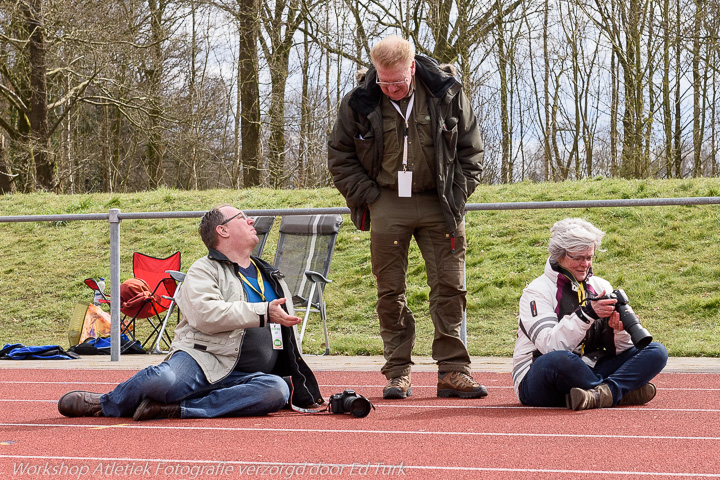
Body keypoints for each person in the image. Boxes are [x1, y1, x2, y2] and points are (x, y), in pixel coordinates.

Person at [327, 35, 487, 400]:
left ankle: (453, 371)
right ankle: (397, 373)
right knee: (390, 290)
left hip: (440, 202)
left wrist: (456, 195)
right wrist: (369, 198)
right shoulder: (359, 102)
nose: (391, 89)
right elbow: (339, 156)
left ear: (412, 67)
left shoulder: (448, 93)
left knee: (450, 286)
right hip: (386, 200)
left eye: (398, 81)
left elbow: (471, 150)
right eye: (384, 82)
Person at [58, 205, 324, 421]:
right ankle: (105, 403)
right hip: (203, 360)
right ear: (223, 230)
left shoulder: (271, 275)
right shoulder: (203, 270)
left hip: (248, 377)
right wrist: (263, 311)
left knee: (275, 390)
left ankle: (176, 409)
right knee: (162, 380)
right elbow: (206, 315)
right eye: (242, 217)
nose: (252, 220)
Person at [513, 218, 668, 410]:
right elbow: (550, 347)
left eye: (589, 257)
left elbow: (620, 350)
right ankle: (619, 391)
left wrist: (618, 330)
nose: (584, 264)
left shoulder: (601, 286)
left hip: (590, 368)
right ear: (559, 255)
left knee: (656, 351)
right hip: (540, 377)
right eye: (577, 258)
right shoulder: (537, 291)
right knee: (560, 359)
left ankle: (600, 394)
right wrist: (587, 314)